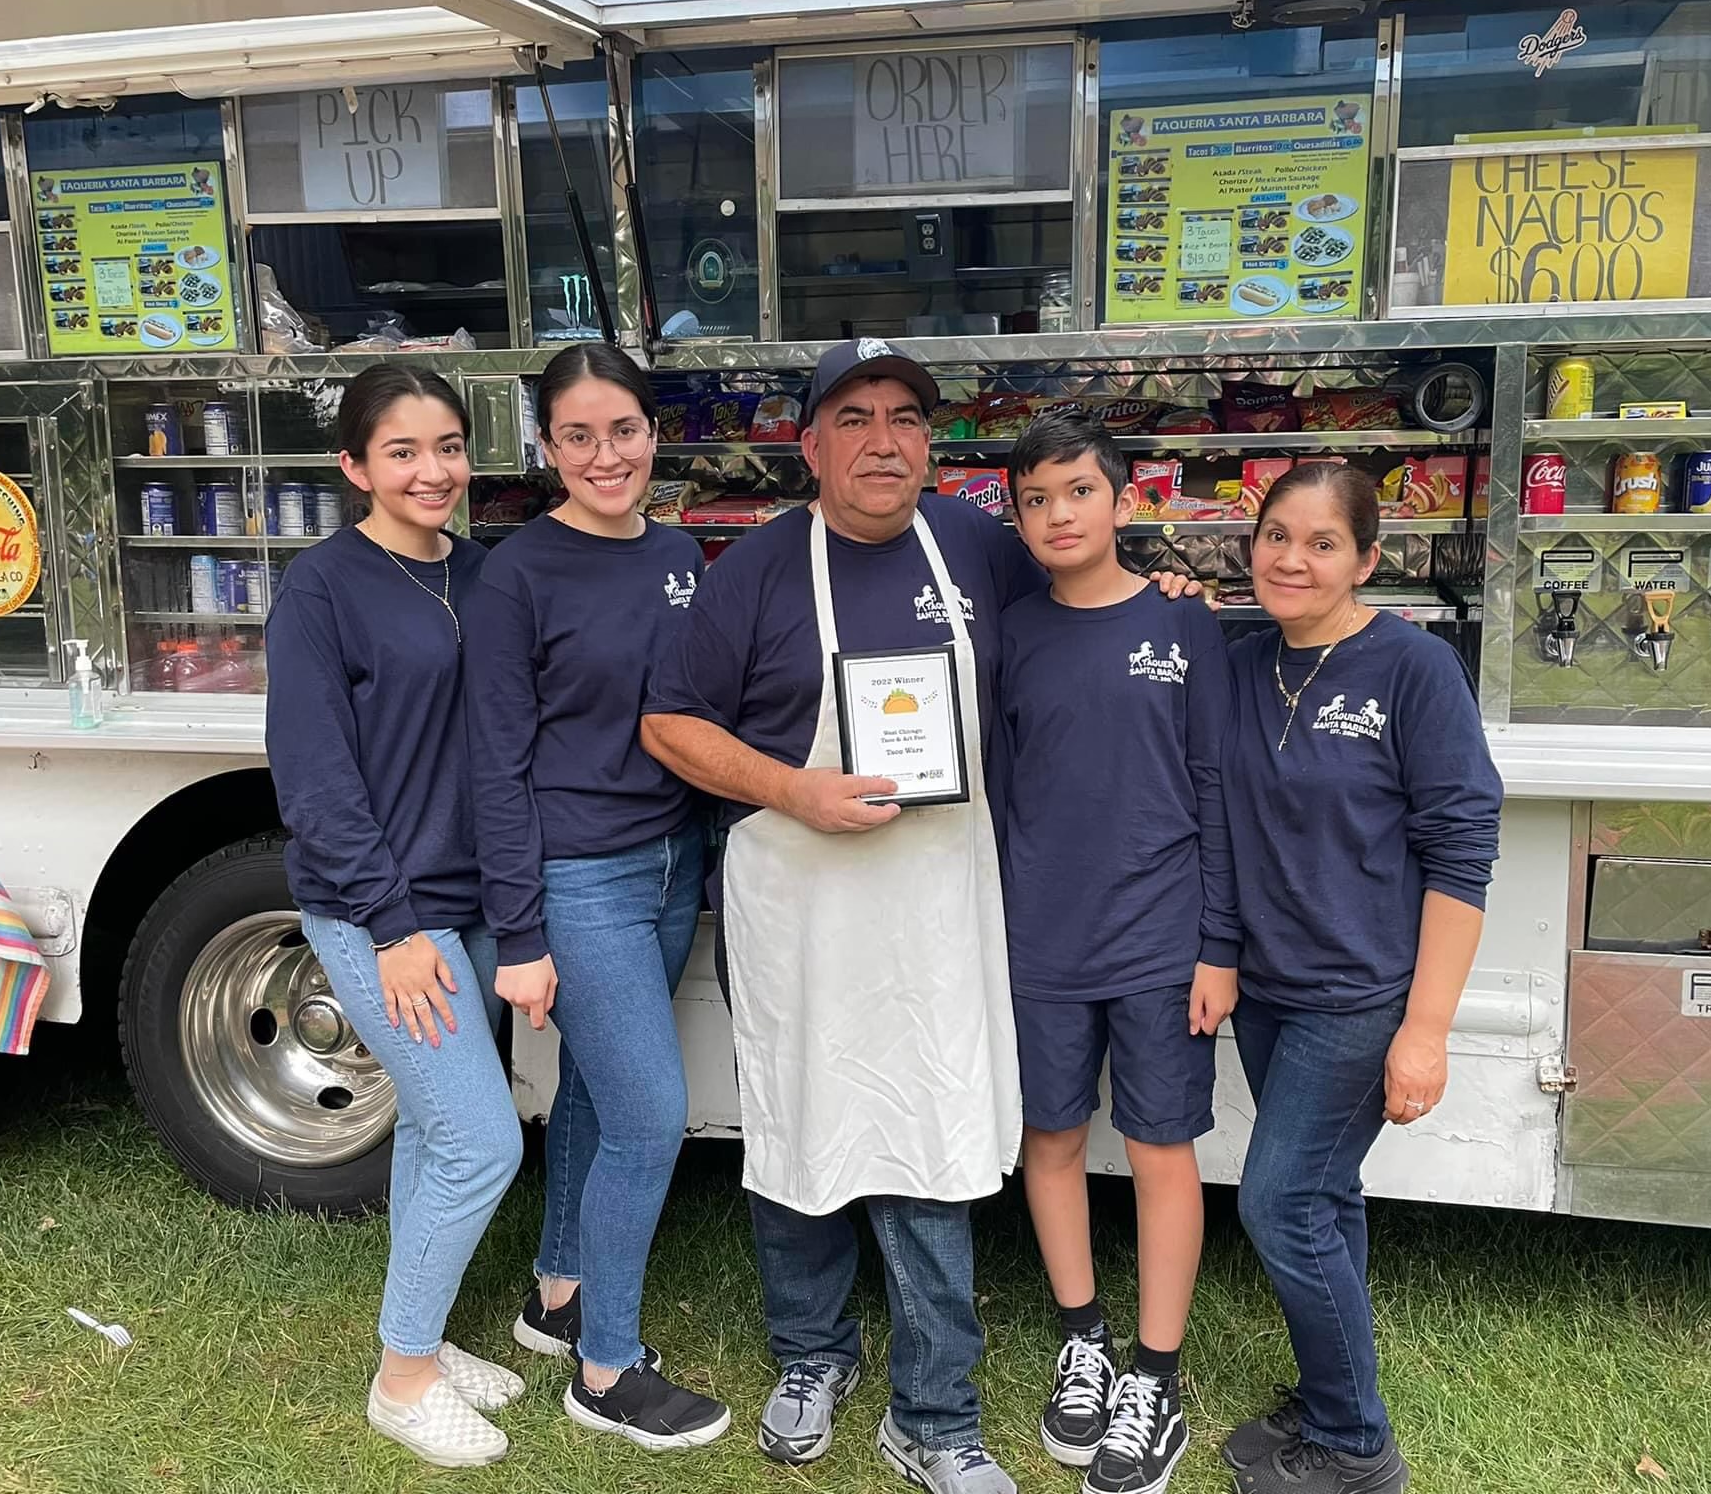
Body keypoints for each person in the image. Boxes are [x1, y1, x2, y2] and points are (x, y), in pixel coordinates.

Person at [640, 338, 1047, 1494]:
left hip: (934, 908)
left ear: (931, 441)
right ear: (809, 443)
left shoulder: (975, 546)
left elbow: (1076, 626)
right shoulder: (756, 572)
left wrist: (1154, 589)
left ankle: (932, 1412)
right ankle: (811, 1354)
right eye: (855, 417)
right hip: (802, 904)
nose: (884, 439)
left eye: (906, 417)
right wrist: (795, 788)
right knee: (797, 1133)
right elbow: (669, 725)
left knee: (928, 1137)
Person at [463, 343, 730, 1449]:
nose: (603, 454)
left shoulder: (678, 553)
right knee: (649, 1118)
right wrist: (518, 932)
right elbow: (495, 762)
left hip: (668, 864)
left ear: (651, 434)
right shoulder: (515, 575)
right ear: (545, 448)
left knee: (592, 1090)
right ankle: (606, 1373)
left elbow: (707, 706)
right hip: (578, 879)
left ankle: (556, 1294)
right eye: (576, 435)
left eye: (621, 429)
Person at [1217, 462, 1501, 1494]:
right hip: (1268, 988)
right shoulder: (1245, 662)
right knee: (1322, 1198)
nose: (1291, 558)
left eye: (1321, 542)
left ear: (1366, 559)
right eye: (1274, 535)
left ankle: (1352, 1448)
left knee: (1278, 1202)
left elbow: (1462, 853)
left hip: (1359, 993)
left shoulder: (1411, 669)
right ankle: (1327, 1390)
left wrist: (1423, 1030)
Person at [265, 363, 524, 1468]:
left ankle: (415, 1336)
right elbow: (315, 778)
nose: (435, 471)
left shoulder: (483, 572)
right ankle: (402, 1377)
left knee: (432, 1129)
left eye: (451, 447)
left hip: (467, 905)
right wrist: (391, 926)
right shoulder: (321, 588)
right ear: (355, 467)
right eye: (406, 452)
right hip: (382, 914)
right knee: (481, 1142)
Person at [999, 415, 1239, 1494]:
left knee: (1158, 1150)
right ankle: (1082, 1339)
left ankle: (1155, 1374)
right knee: (1047, 1139)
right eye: (1035, 499)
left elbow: (1215, 788)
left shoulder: (1185, 626)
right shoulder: (1009, 633)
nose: (1057, 515)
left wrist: (1216, 945)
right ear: (1016, 516)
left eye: (1077, 493)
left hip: (1158, 940)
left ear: (1122, 502)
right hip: (1038, 939)